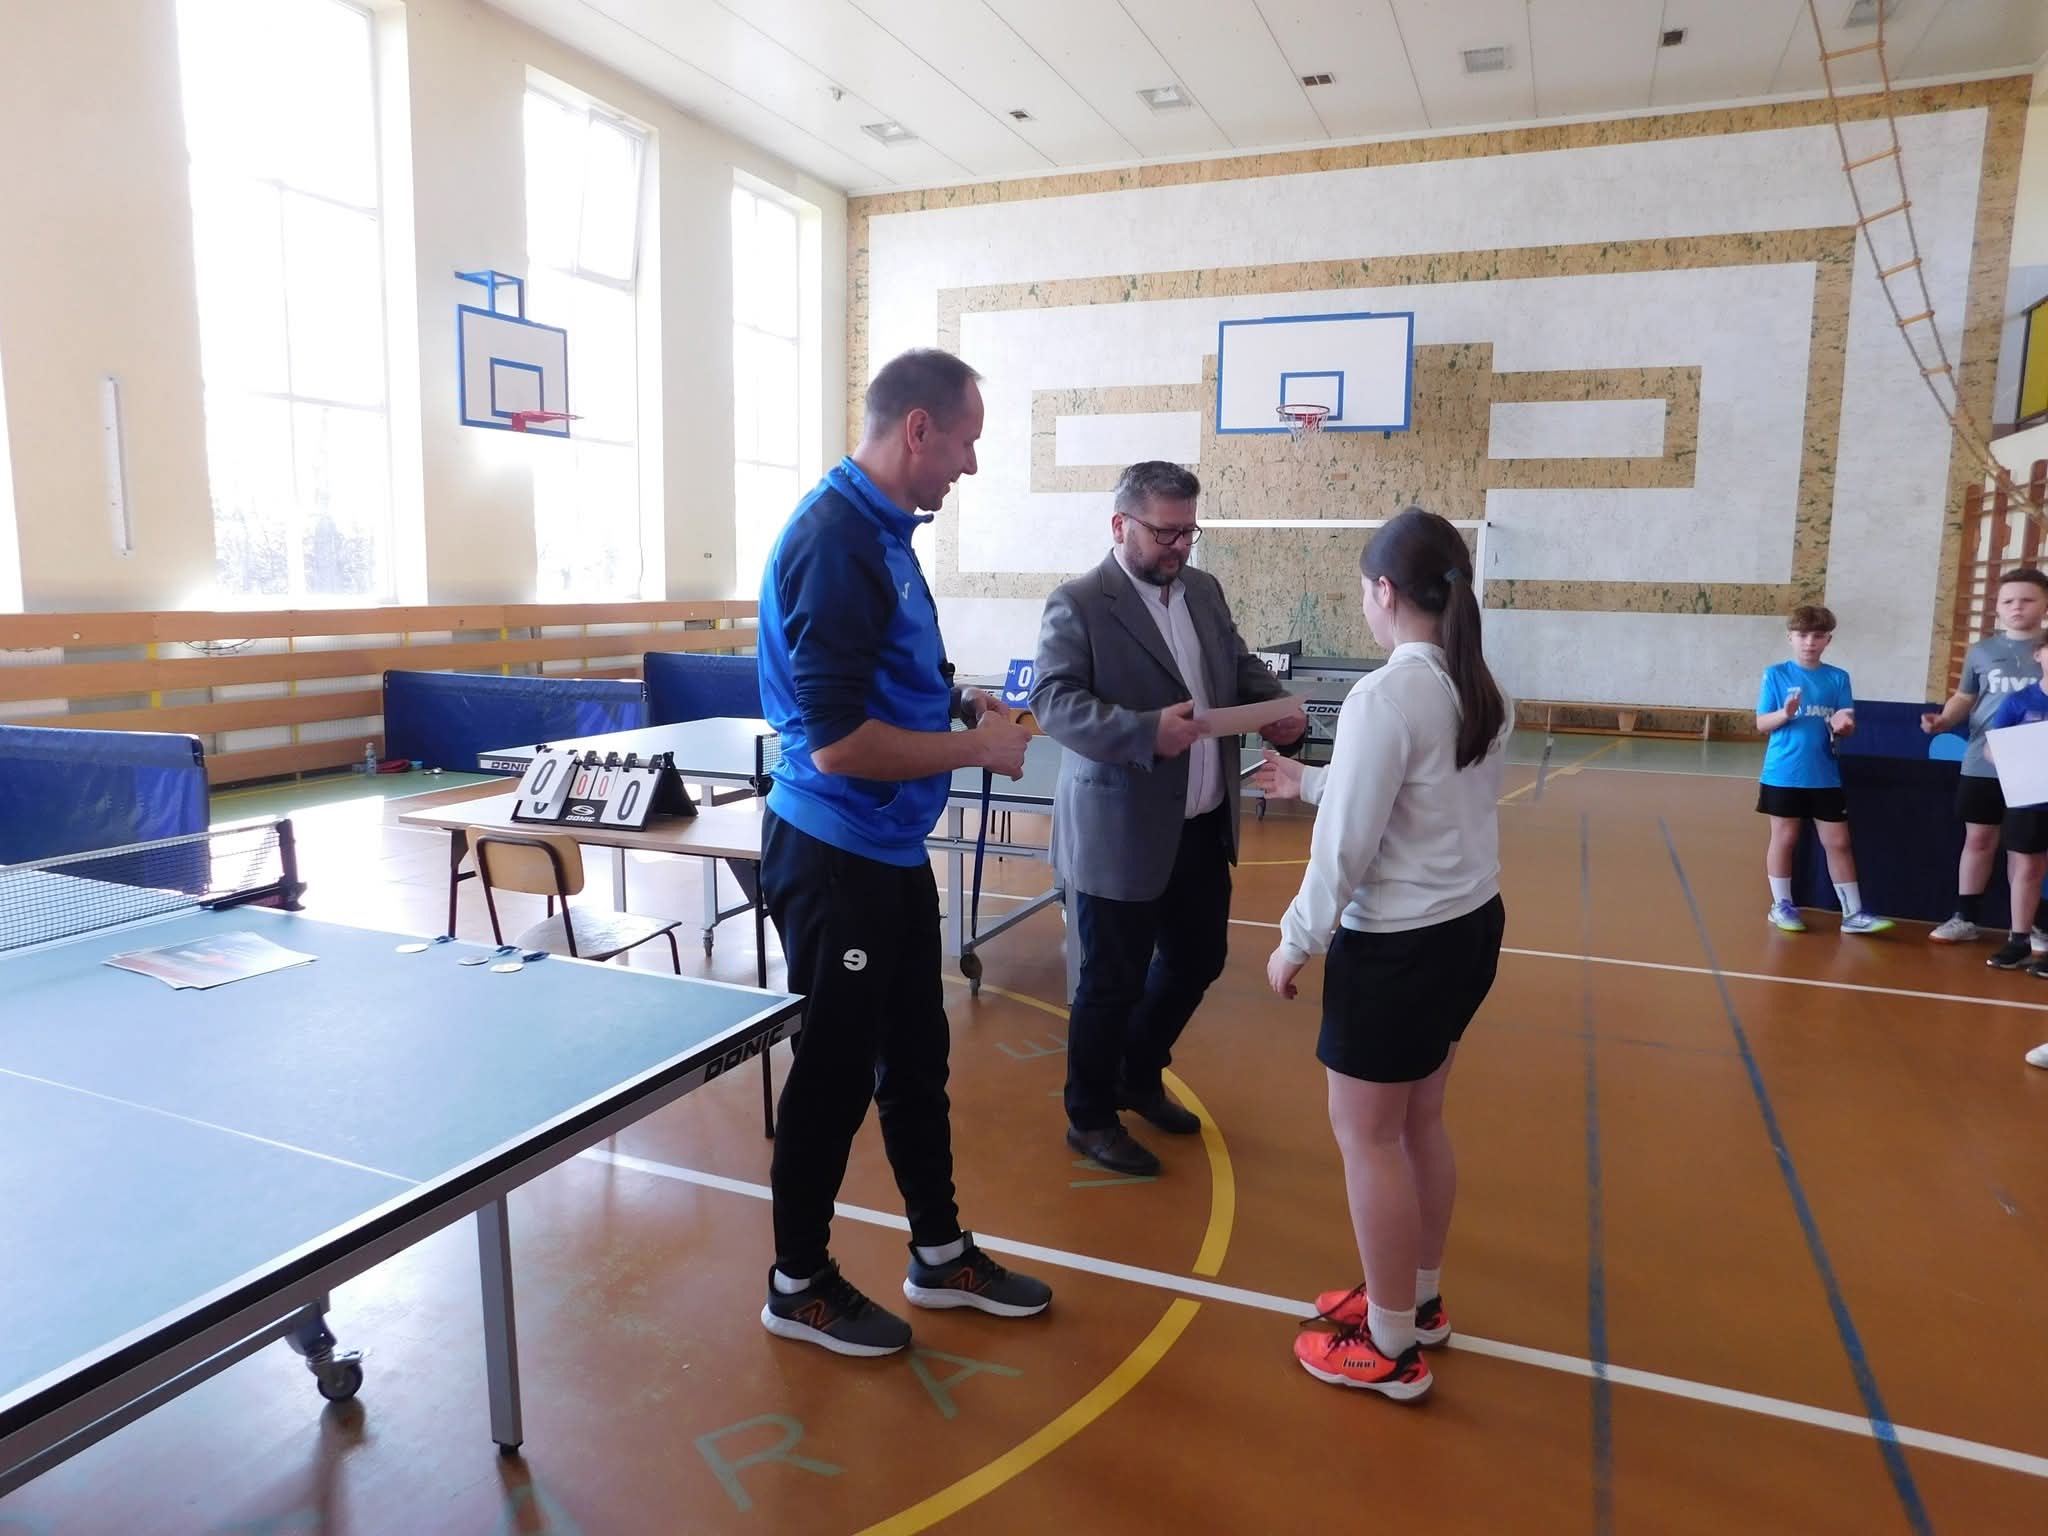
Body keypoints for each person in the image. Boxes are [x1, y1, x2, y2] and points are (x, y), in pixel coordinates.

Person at [754, 347, 1051, 1357]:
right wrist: (980, 748)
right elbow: (836, 743)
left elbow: (887, 670)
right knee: (834, 1075)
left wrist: (958, 700)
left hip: (884, 850)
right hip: (834, 852)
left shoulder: (882, 531)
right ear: (918, 429)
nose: (970, 464)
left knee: (916, 1060)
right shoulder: (835, 541)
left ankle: (939, 1251)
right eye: (965, 441)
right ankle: (798, 1283)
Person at [1258, 507, 1509, 1402]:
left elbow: (1348, 848)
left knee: (1368, 1140)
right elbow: (1414, 788)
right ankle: (1418, 1299)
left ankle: (1391, 1344)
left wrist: (1295, 939)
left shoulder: (1384, 696)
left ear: (1386, 591)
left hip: (1400, 948)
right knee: (1417, 1124)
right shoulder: (1476, 684)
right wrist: (1312, 780)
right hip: (1468, 929)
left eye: (1366, 593)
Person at [1030, 460, 1307, 1177]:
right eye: (1165, 533)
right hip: (1119, 832)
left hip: (1201, 823)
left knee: (1198, 959)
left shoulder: (1204, 592)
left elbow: (1234, 666)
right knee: (1110, 982)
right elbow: (1055, 703)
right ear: (1120, 525)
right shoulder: (1079, 603)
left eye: (1189, 531)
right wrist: (1143, 731)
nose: (1180, 546)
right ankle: (1090, 1117)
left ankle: (1137, 1071)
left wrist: (1276, 710)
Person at [1921, 568, 2048, 948]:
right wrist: (1944, 720)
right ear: (1997, 607)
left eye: (2027, 600)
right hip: (1983, 762)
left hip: (2035, 772)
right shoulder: (1983, 651)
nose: (2017, 607)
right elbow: (1965, 697)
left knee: (2026, 851)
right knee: (1978, 840)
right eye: (2008, 601)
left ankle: (2027, 928)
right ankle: (1966, 917)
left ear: (2044, 604)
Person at [1755, 605, 1892, 936]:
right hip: (1783, 773)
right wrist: (1785, 713)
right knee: (1785, 837)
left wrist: (1844, 725)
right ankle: (1781, 905)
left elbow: (1846, 723)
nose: (1809, 642)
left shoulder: (1838, 678)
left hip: (1824, 774)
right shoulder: (1776, 674)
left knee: (1838, 841)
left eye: (1817, 636)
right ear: (1790, 637)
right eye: (1802, 635)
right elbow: (1761, 723)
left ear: (1828, 640)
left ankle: (1852, 913)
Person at [1980, 636, 2048, 973]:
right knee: (2027, 870)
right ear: (2039, 654)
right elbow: (1990, 748)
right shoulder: (2019, 701)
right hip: (2029, 802)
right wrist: (2013, 757)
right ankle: (2019, 940)